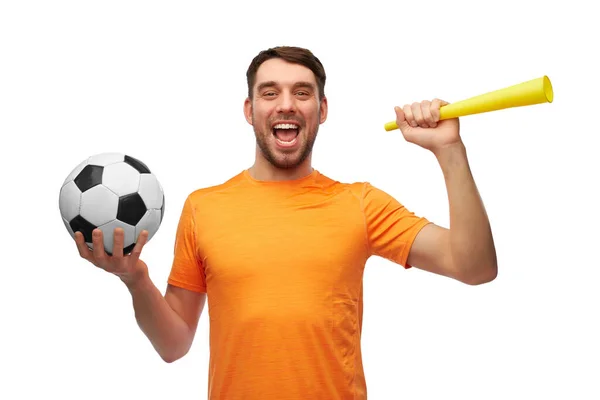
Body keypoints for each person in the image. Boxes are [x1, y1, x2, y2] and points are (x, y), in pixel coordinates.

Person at [74, 46, 497, 399]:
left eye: (302, 92)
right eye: (270, 92)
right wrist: (136, 280)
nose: (287, 104)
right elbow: (173, 344)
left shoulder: (360, 204)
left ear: (322, 109)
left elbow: (475, 266)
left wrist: (449, 150)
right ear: (249, 108)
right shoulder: (204, 207)